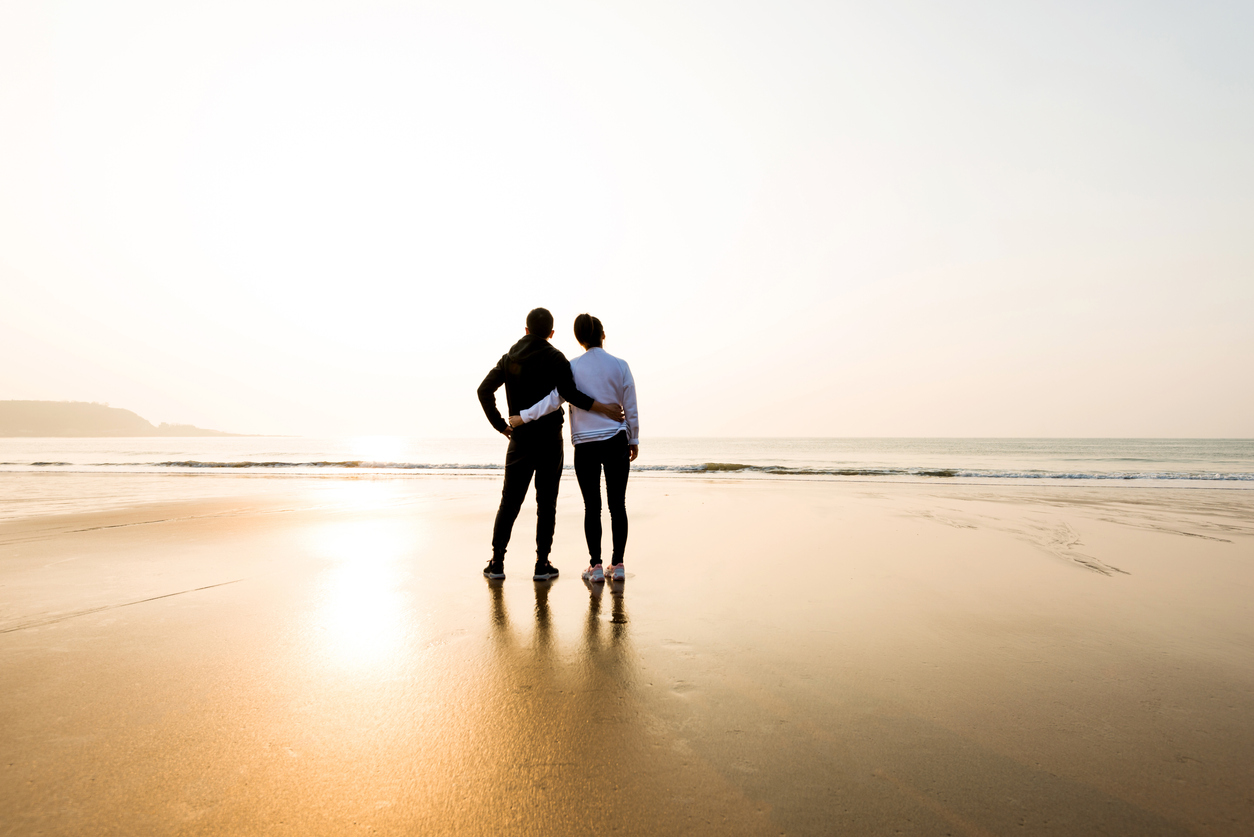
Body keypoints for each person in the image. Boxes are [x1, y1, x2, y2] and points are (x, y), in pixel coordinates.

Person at [477, 307, 624, 581]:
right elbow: (569, 394)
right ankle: (542, 565)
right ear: (551, 333)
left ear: (526, 330)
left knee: (509, 502)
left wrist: (502, 425)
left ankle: (497, 563)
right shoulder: (556, 358)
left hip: (519, 440)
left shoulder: (509, 359)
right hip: (549, 441)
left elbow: (483, 390)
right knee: (547, 503)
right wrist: (603, 408)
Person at [510, 313, 638, 583]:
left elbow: (553, 400)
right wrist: (633, 439)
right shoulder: (620, 365)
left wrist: (524, 416)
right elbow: (631, 406)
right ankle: (619, 564)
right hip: (616, 440)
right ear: (602, 336)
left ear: (580, 340)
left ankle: (596, 567)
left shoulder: (572, 366)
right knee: (618, 505)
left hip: (586, 445)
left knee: (592, 507)